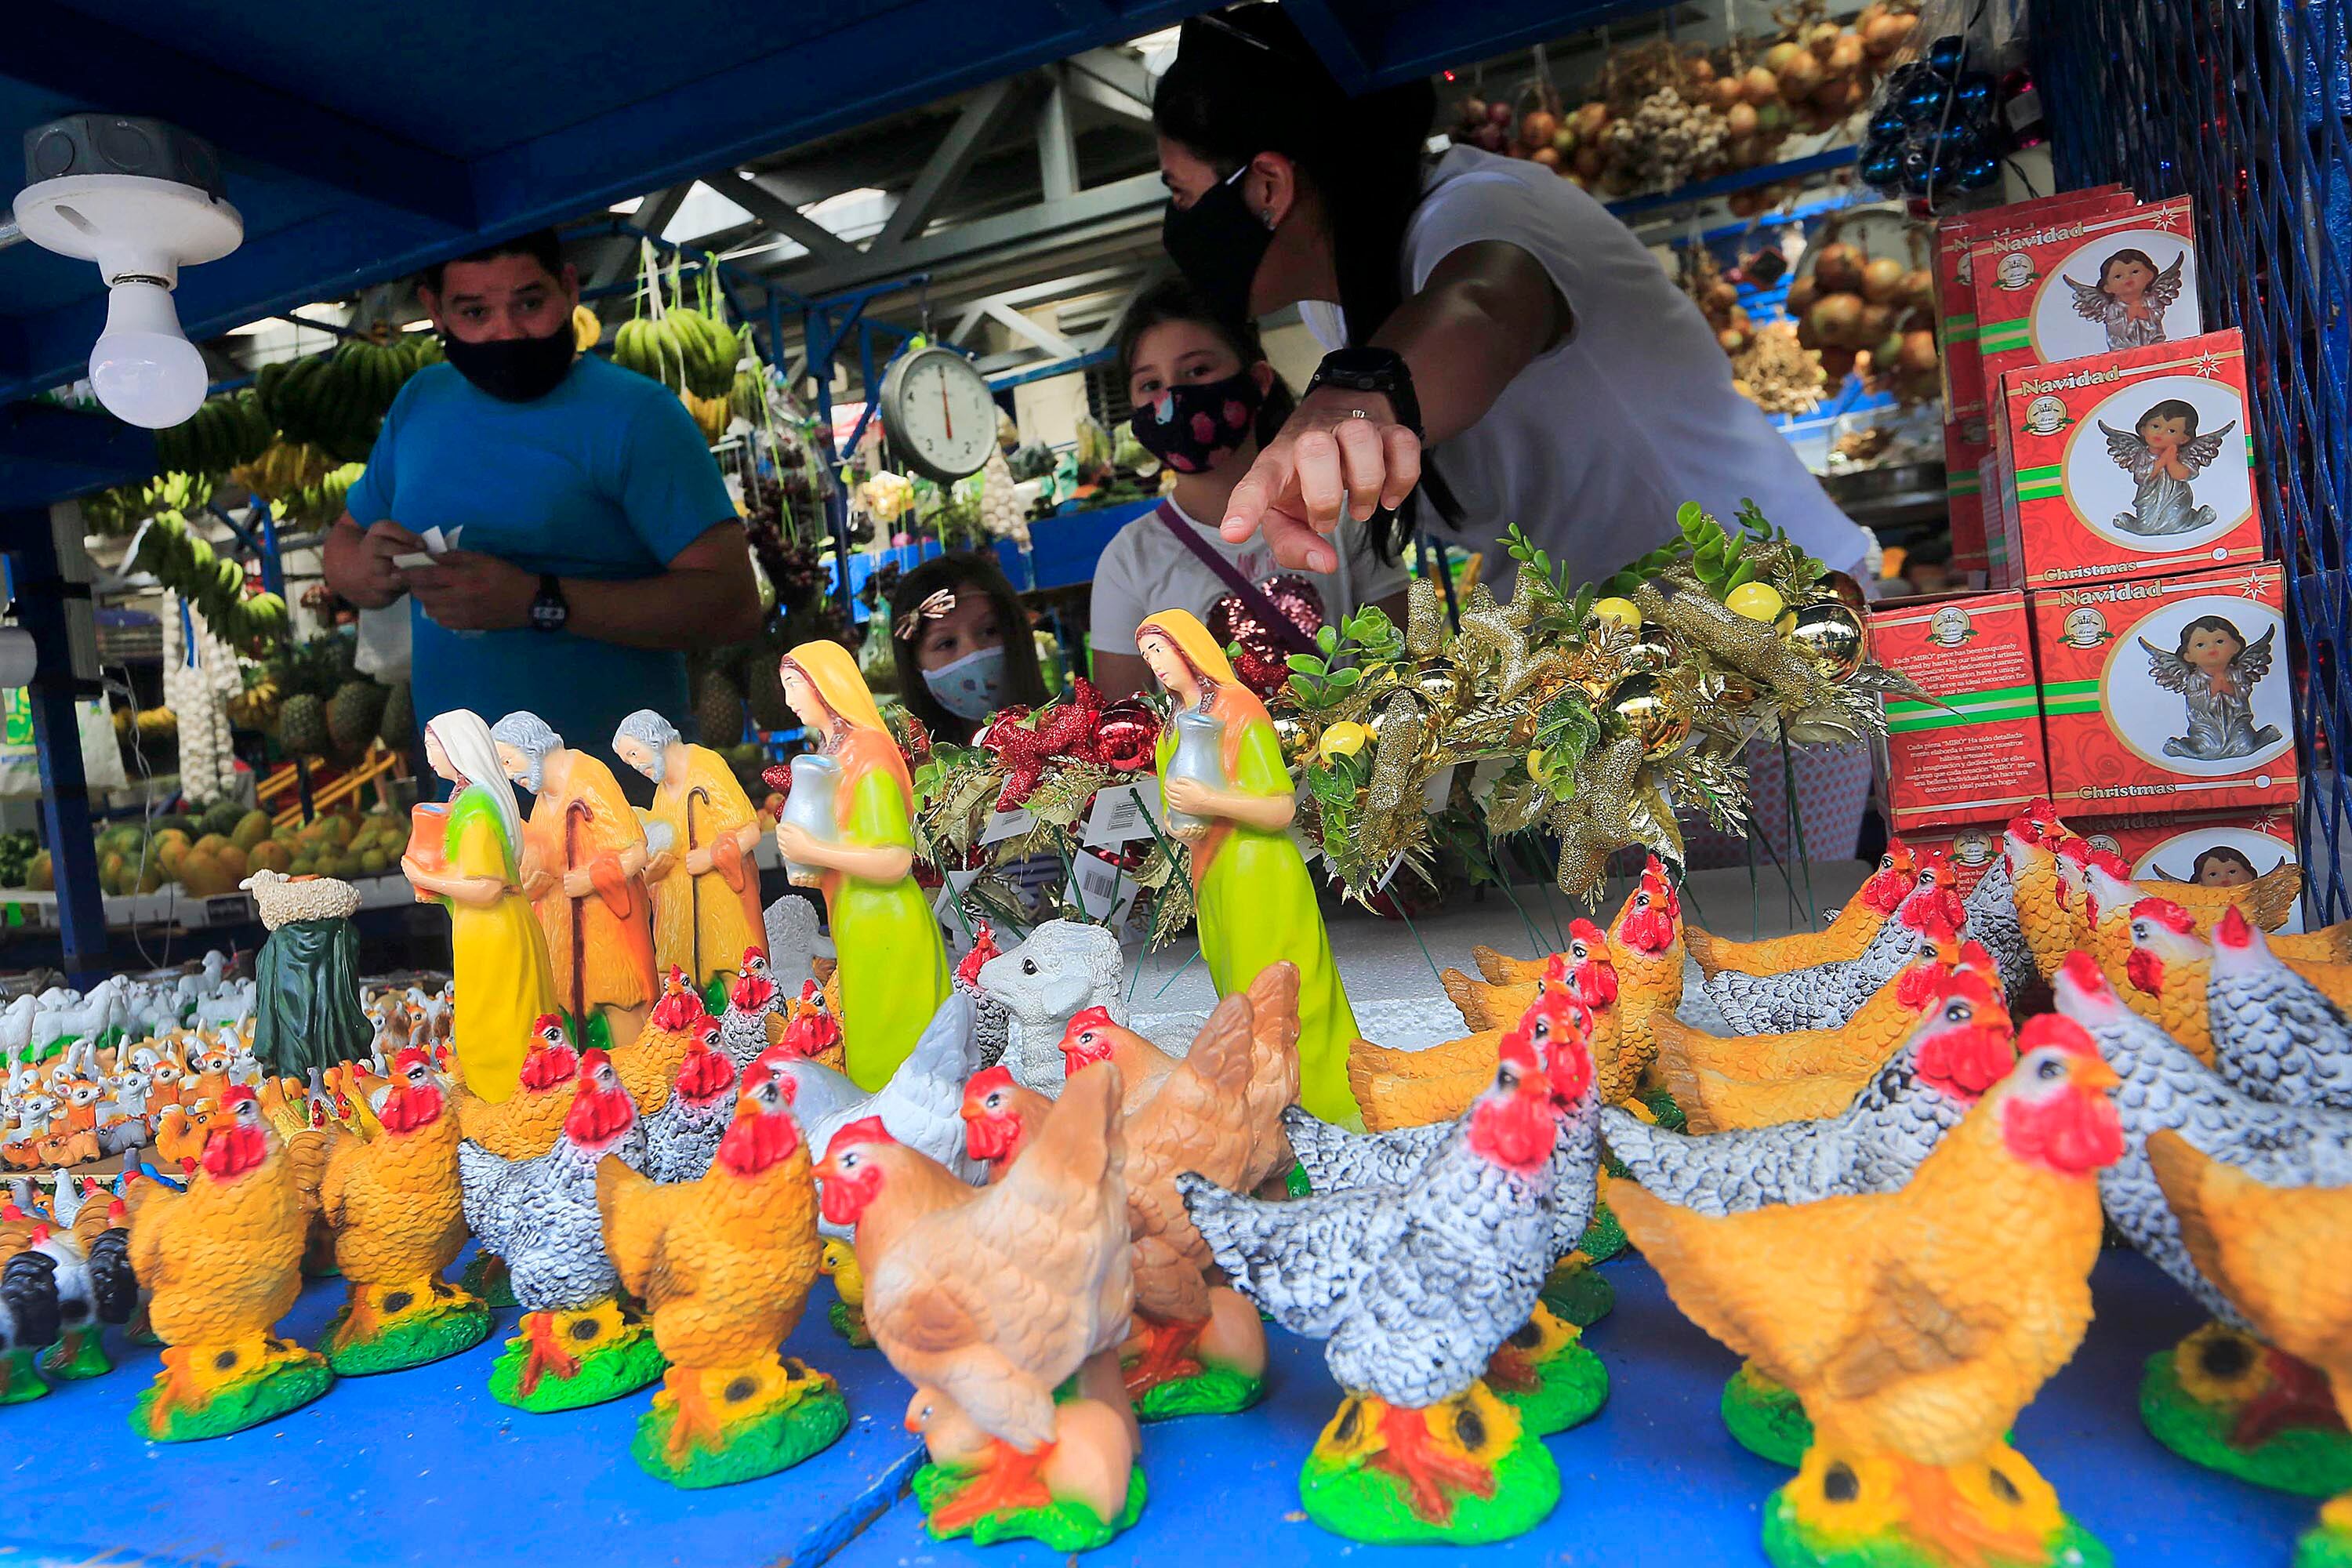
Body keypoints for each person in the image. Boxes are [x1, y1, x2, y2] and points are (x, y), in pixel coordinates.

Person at [1150, 7, 1874, 594]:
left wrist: (1352, 398)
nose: (1177, 221)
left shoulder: (1486, 208)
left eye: (1180, 193)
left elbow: (1483, 305)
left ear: (1267, 187)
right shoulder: (1333, 305)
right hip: (1629, 639)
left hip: (1771, 604)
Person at [324, 230, 762, 761]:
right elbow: (345, 541)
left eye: (529, 304)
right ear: (435, 311)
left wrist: (538, 601)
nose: (507, 332)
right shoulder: (419, 403)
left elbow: (733, 604)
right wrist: (366, 572)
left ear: (569, 288)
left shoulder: (639, 416)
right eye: (475, 313)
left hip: (625, 789)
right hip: (465, 790)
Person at [1091, 280, 1410, 701]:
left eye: (1198, 370)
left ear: (1257, 380)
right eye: (1150, 385)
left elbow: (1402, 660)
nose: (1173, 398)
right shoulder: (1127, 560)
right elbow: (1120, 718)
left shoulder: (1335, 503)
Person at [1136, 608, 1359, 1125]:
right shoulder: (1170, 728)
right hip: (1214, 877)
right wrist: (1178, 823)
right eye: (1147, 655)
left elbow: (1279, 808)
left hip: (1261, 872)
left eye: (1161, 649)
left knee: (1287, 999)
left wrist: (1210, 801)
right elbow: (1174, 805)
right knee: (1241, 1001)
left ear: (1189, 648)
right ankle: (1268, 1119)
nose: (1156, 664)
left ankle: (1328, 1109)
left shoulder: (1238, 709)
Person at [773, 640, 951, 1090]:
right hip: (856, 916)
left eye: (793, 685)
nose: (789, 700)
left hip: (884, 919)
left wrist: (813, 850)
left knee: (891, 1060)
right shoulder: (831, 754)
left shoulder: (867, 757)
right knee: (873, 1047)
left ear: (824, 685)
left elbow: (894, 860)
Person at [402, 710, 558, 1102]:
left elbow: (488, 888)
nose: (429, 758)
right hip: (484, 932)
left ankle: (515, 1111)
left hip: (494, 933)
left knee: (500, 1033)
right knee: (491, 1027)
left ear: (457, 749)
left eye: (433, 747)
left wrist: (424, 876)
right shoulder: (468, 800)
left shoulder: (476, 811)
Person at [488, 710, 658, 1051]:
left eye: (508, 761)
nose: (509, 775)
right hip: (563, 944)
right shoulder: (542, 802)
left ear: (531, 746)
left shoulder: (589, 777)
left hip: (604, 938)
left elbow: (636, 852)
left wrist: (591, 878)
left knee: (618, 1011)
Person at [611, 707, 766, 1008]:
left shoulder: (707, 767)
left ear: (653, 738)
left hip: (720, 910)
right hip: (679, 918)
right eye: (628, 761)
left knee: (732, 980)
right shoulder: (661, 792)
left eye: (634, 754)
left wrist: (710, 856)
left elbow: (750, 831)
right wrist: (654, 871)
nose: (635, 765)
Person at [887, 550, 1051, 743]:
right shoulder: (901, 762)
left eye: (990, 631)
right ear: (915, 664)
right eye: (947, 643)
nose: (973, 653)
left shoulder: (1075, 744)